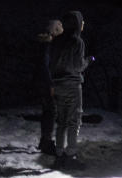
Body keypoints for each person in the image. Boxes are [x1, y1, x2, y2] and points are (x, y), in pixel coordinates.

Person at [47, 10, 91, 169]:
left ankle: (59, 153)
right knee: (74, 121)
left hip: (58, 85)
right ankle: (70, 155)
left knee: (61, 121)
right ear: (78, 24)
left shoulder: (56, 41)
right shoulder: (77, 42)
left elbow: (51, 64)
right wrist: (88, 61)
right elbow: (78, 66)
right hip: (72, 85)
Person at [34, 18, 63, 155]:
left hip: (42, 82)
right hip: (45, 83)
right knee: (51, 111)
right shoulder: (46, 44)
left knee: (48, 111)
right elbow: (44, 66)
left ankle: (44, 141)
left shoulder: (46, 43)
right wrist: (50, 84)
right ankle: (46, 142)